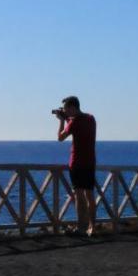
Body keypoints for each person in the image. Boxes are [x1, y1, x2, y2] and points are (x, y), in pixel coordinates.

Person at [54, 95, 97, 235]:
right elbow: (78, 126)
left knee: (79, 195)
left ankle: (81, 227)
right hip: (90, 162)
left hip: (77, 162)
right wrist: (67, 118)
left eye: (66, 109)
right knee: (90, 195)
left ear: (72, 107)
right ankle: (92, 227)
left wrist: (61, 121)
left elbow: (60, 138)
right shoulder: (91, 118)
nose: (65, 111)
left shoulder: (73, 122)